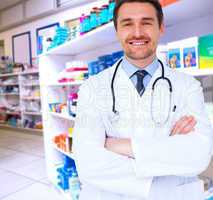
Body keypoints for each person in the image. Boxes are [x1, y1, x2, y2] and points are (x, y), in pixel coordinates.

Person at [73, 0, 213, 199]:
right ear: (117, 31)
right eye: (127, 23)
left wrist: (118, 145)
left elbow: (199, 155)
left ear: (160, 27)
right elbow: (88, 163)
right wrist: (168, 151)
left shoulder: (188, 86)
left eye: (146, 22)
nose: (137, 32)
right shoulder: (92, 88)